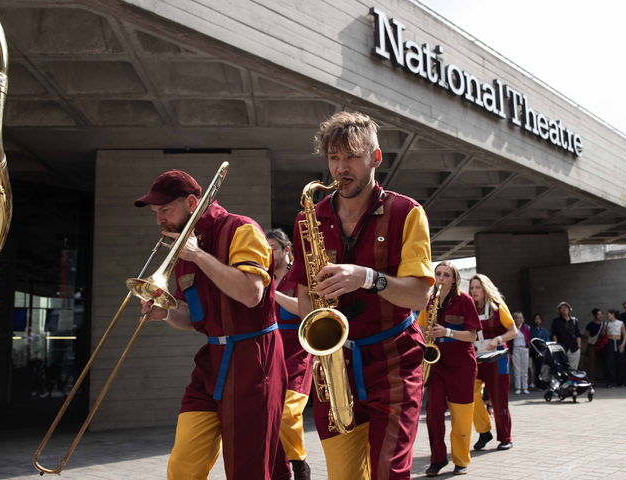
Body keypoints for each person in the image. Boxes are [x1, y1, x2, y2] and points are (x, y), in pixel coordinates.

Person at [287, 111, 434, 480]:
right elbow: (305, 293)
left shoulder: (407, 212)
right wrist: (319, 337)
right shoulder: (310, 219)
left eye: (351, 156)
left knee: (388, 472)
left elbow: (419, 296)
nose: (341, 168)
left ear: (375, 158)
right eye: (334, 158)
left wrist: (368, 278)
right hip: (336, 365)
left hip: (394, 361)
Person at [134, 170, 290, 480]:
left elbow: (251, 294)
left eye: (165, 210)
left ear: (192, 202)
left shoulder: (241, 229)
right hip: (211, 363)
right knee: (182, 467)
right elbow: (193, 318)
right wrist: (163, 314)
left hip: (254, 361)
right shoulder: (185, 244)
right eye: (156, 212)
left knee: (248, 470)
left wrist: (197, 255)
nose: (159, 220)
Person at [418, 261, 481, 476]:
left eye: (446, 275)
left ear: (454, 279)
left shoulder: (466, 301)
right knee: (433, 412)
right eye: (438, 274)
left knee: (461, 416)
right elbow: (420, 328)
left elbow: (472, 336)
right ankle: (437, 459)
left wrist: (447, 332)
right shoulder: (430, 300)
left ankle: (461, 460)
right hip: (436, 364)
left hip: (461, 365)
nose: (441, 278)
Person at [266, 228, 312, 480]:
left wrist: (274, 291)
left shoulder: (301, 276)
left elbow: (304, 310)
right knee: (270, 416)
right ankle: (282, 472)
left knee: (286, 412)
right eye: (266, 249)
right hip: (269, 356)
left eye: (273, 248)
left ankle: (300, 464)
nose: (269, 253)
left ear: (287, 250)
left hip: (298, 354)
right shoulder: (261, 276)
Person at [469, 274, 518, 451]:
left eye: (477, 287)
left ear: (485, 288)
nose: (474, 291)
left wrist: (497, 338)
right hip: (475, 356)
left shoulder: (498, 307)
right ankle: (484, 431)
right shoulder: (468, 307)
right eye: (472, 288)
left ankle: (505, 437)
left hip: (498, 357)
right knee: (469, 394)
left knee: (499, 399)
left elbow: (514, 331)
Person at [551, 302, 582, 370]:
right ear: (559, 311)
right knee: (563, 368)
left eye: (565, 307)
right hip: (562, 347)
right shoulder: (556, 321)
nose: (564, 309)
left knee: (573, 369)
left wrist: (579, 345)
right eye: (562, 308)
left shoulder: (574, 320)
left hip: (574, 348)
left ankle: (572, 380)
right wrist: (556, 346)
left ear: (569, 309)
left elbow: (578, 334)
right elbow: (554, 334)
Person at [509, 312, 531, 395]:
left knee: (524, 369)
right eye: (516, 318)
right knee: (517, 369)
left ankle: (525, 387)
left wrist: (528, 346)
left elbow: (529, 338)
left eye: (519, 318)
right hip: (515, 350)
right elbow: (509, 340)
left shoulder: (525, 327)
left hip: (524, 349)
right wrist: (509, 351)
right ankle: (518, 387)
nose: (517, 319)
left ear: (521, 319)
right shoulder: (512, 327)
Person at [604, 309, 626, 388]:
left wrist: (623, 344)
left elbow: (625, 334)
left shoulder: (620, 323)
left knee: (620, 362)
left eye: (608, 314)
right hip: (610, 342)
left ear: (613, 314)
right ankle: (611, 382)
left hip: (618, 341)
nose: (607, 316)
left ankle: (620, 381)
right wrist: (605, 330)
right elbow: (602, 334)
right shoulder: (606, 323)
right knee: (610, 362)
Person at [584, 308, 606, 384]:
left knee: (605, 362)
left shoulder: (605, 324)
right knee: (592, 363)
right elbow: (587, 335)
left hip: (603, 345)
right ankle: (591, 381)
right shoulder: (590, 324)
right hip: (593, 345)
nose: (601, 316)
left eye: (601, 314)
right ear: (595, 316)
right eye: (598, 314)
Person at [530, 314, 550, 389]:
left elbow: (547, 338)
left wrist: (546, 344)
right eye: (536, 319)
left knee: (546, 368)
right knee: (538, 368)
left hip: (545, 350)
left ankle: (546, 384)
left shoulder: (544, 329)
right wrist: (540, 344)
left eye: (539, 319)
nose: (537, 320)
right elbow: (534, 339)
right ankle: (539, 385)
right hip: (537, 351)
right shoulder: (532, 329)